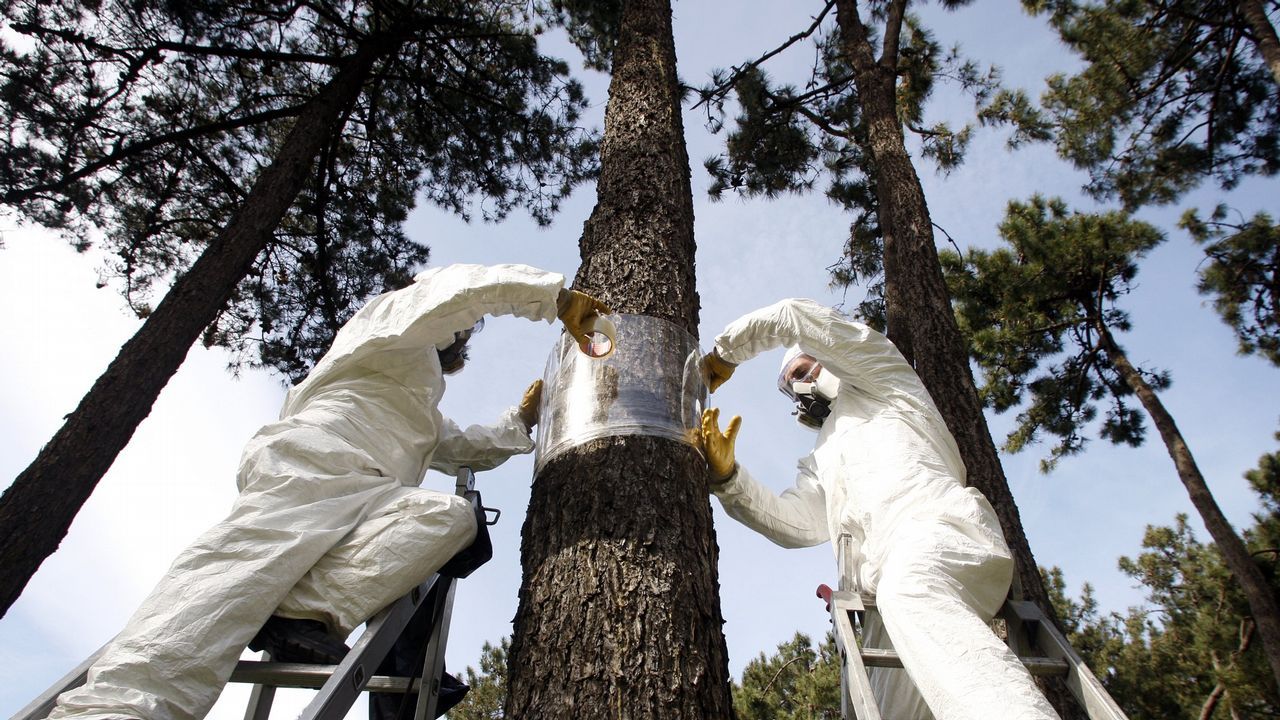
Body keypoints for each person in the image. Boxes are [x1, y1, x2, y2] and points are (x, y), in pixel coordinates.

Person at [47, 263, 609, 720]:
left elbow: (466, 446)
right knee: (230, 577)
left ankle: (301, 615)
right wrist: (551, 299)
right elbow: (450, 292)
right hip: (315, 459)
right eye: (460, 329)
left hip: (374, 490)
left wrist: (522, 418)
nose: (460, 338)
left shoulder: (419, 407)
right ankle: (116, 706)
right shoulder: (387, 325)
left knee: (449, 518)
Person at [699, 298, 1058, 720]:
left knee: (913, 593)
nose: (797, 390)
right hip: (880, 597)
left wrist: (724, 354)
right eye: (788, 385)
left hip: (940, 536)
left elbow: (793, 315)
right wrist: (730, 481)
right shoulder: (824, 454)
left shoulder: (884, 378)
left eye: (799, 373)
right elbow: (797, 523)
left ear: (830, 359)